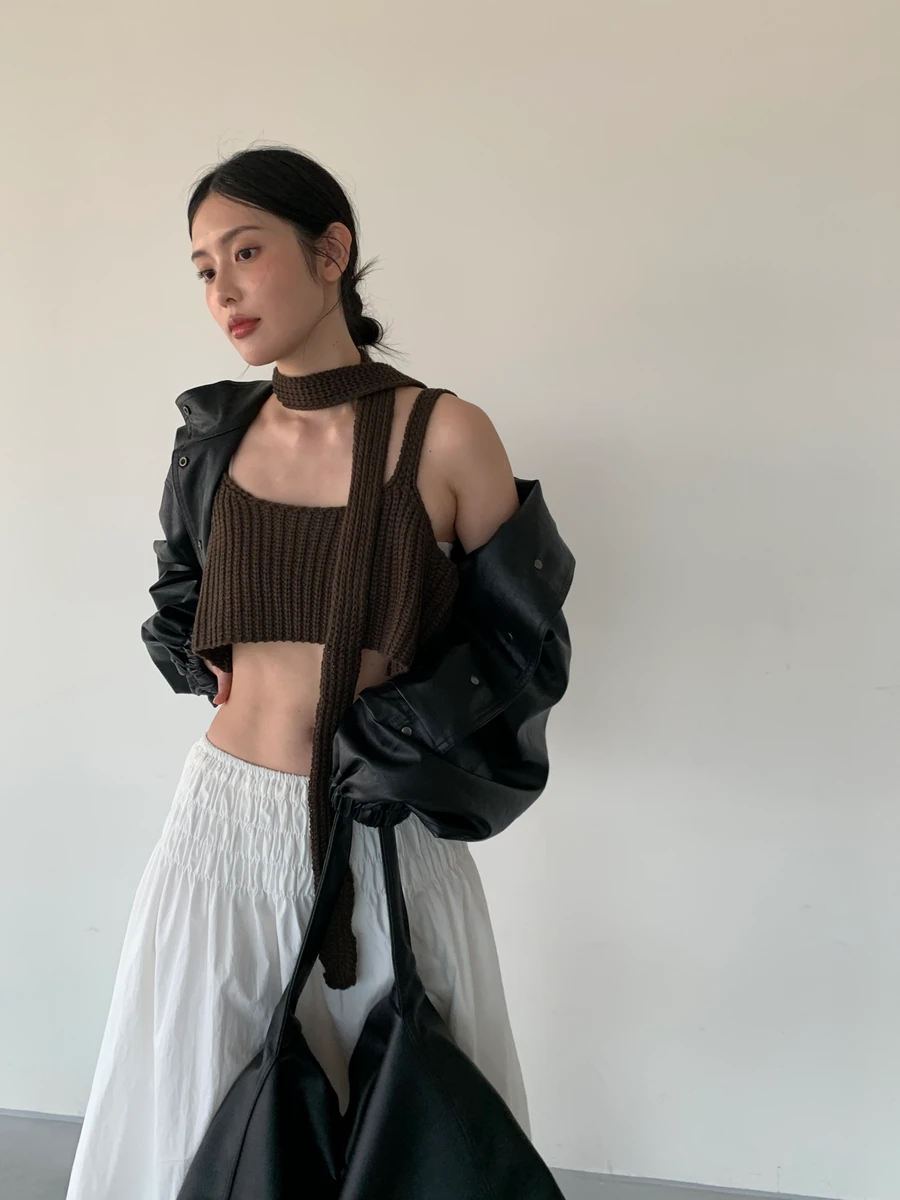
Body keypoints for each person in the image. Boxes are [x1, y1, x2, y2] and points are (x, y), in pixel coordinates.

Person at [64, 144, 533, 1200]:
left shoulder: (447, 434)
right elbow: (181, 598)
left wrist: (408, 743)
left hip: (386, 837)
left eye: (246, 252)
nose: (222, 290)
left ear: (331, 253)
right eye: (203, 268)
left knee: (406, 1135)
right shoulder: (213, 439)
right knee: (205, 1128)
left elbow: (521, 650)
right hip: (223, 828)